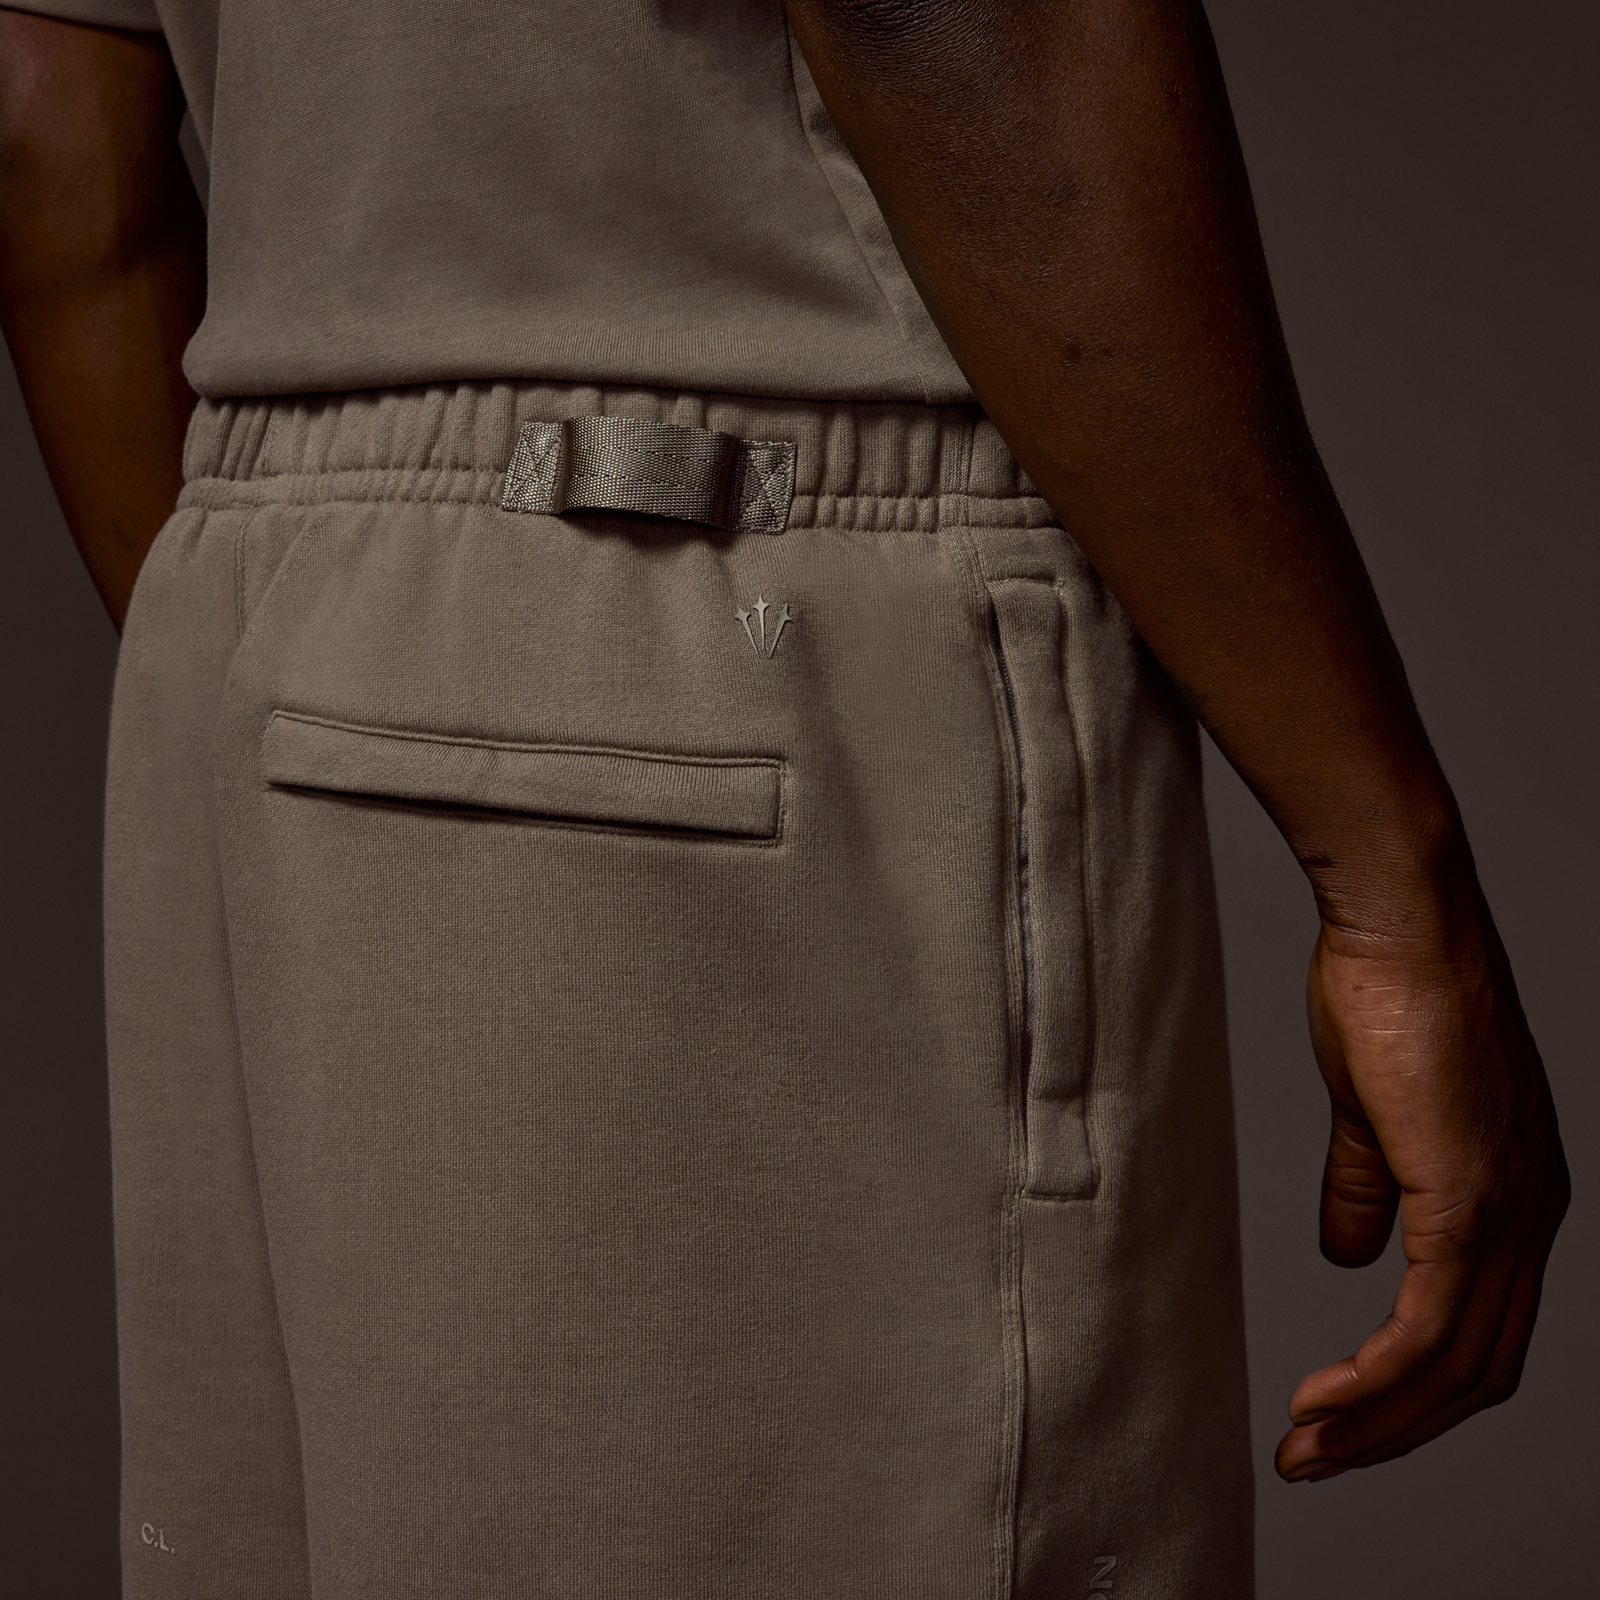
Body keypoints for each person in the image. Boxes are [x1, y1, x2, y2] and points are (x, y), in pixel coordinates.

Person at [0, 2, 1569, 1596]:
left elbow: (48, 108)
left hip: (271, 647)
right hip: (749, 602)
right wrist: (1392, 882)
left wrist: (337, 689)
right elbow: (943, 20)